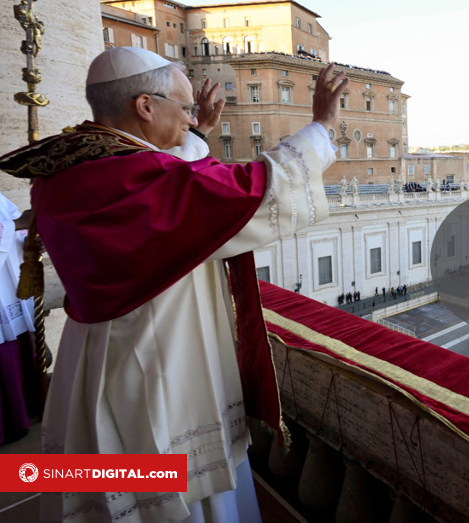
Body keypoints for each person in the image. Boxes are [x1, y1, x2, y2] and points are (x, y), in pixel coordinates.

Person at [0, 47, 349, 522]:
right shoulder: (139, 179)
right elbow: (249, 187)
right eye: (183, 110)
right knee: (169, 477)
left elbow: (175, 175)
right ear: (145, 106)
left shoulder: (71, 166)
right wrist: (322, 128)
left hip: (96, 352)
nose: (189, 121)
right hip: (156, 354)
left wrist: (199, 130)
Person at [0, 192, 36, 446]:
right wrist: (19, 224)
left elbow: (16, 226)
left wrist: (29, 239)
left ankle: (23, 415)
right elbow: (16, 222)